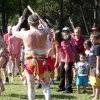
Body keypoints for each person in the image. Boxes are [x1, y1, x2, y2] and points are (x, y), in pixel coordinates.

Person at [12, 12, 51, 100]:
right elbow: (48, 27)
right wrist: (40, 18)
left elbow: (14, 32)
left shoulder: (25, 33)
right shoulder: (44, 32)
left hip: (29, 62)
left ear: (29, 23)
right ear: (38, 22)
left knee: (31, 87)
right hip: (42, 61)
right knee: (46, 86)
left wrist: (20, 22)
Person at [89, 32, 100, 100]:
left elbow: (98, 57)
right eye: (91, 38)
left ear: (98, 39)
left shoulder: (97, 47)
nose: (91, 40)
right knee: (93, 82)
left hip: (95, 67)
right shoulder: (93, 46)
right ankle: (94, 93)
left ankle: (97, 96)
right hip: (91, 67)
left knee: (97, 83)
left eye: (93, 39)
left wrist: (97, 69)